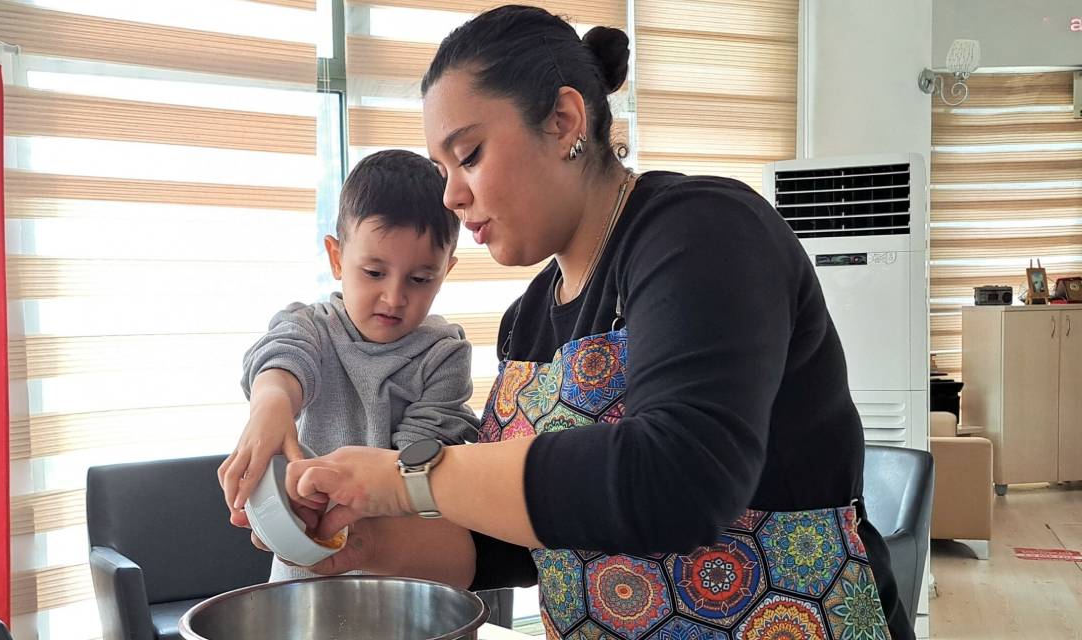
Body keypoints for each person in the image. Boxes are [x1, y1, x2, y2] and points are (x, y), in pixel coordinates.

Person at [270, 5, 915, 639]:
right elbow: (513, 547)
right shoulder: (528, 319)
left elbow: (679, 480)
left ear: (563, 120)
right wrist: (357, 540)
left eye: (468, 155)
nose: (450, 196)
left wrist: (403, 478)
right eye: (442, 170)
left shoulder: (702, 232)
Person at [218, 149, 479, 582]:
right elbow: (283, 355)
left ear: (446, 270)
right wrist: (271, 402)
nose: (394, 298)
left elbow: (416, 471)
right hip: (306, 574)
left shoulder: (443, 354)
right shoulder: (312, 327)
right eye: (374, 272)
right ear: (337, 258)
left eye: (420, 279)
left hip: (400, 570)